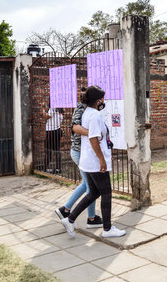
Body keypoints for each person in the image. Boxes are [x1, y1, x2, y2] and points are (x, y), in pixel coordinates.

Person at [60, 86, 125, 238]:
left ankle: (69, 219)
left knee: (94, 192)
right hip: (95, 162)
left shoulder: (87, 113)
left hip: (88, 160)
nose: (104, 101)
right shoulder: (94, 115)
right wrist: (102, 160)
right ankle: (108, 229)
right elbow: (93, 139)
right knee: (106, 193)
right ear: (98, 100)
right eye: (102, 98)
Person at [55, 87, 103, 229]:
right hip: (80, 152)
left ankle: (66, 209)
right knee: (91, 188)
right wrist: (93, 133)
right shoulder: (81, 108)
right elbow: (75, 128)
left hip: (84, 152)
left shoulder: (92, 109)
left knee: (86, 184)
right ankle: (91, 218)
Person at [43, 105, 63, 173]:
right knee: (57, 150)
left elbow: (46, 117)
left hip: (51, 132)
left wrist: (43, 109)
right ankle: (58, 168)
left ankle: (45, 168)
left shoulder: (52, 109)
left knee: (48, 150)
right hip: (57, 131)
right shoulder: (60, 110)